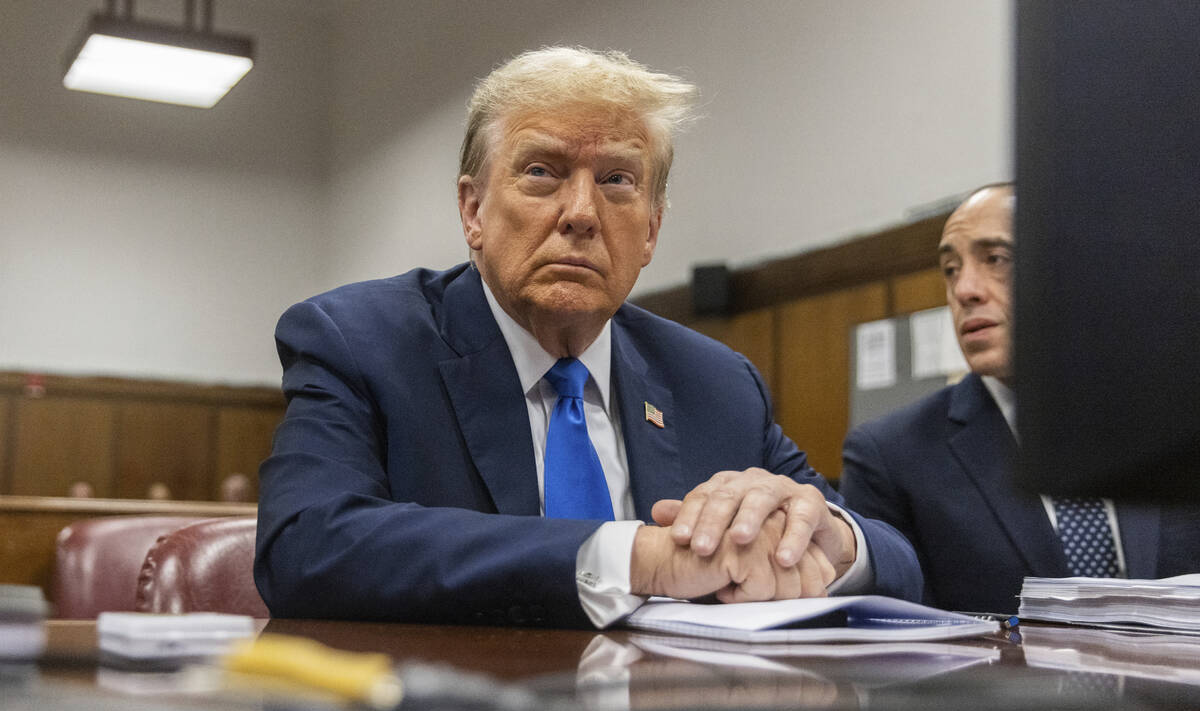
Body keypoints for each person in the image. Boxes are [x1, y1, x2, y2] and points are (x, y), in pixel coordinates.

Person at [256, 46, 921, 628]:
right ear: (472, 209)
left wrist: (826, 537)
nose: (580, 214)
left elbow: (896, 560)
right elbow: (305, 546)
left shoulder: (715, 383)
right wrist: (636, 559)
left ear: (653, 230)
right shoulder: (360, 341)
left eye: (617, 181)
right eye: (541, 172)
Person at [840, 184, 1200, 613]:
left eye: (996, 260)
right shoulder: (889, 455)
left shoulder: (1173, 425)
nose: (964, 290)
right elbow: (897, 646)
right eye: (951, 270)